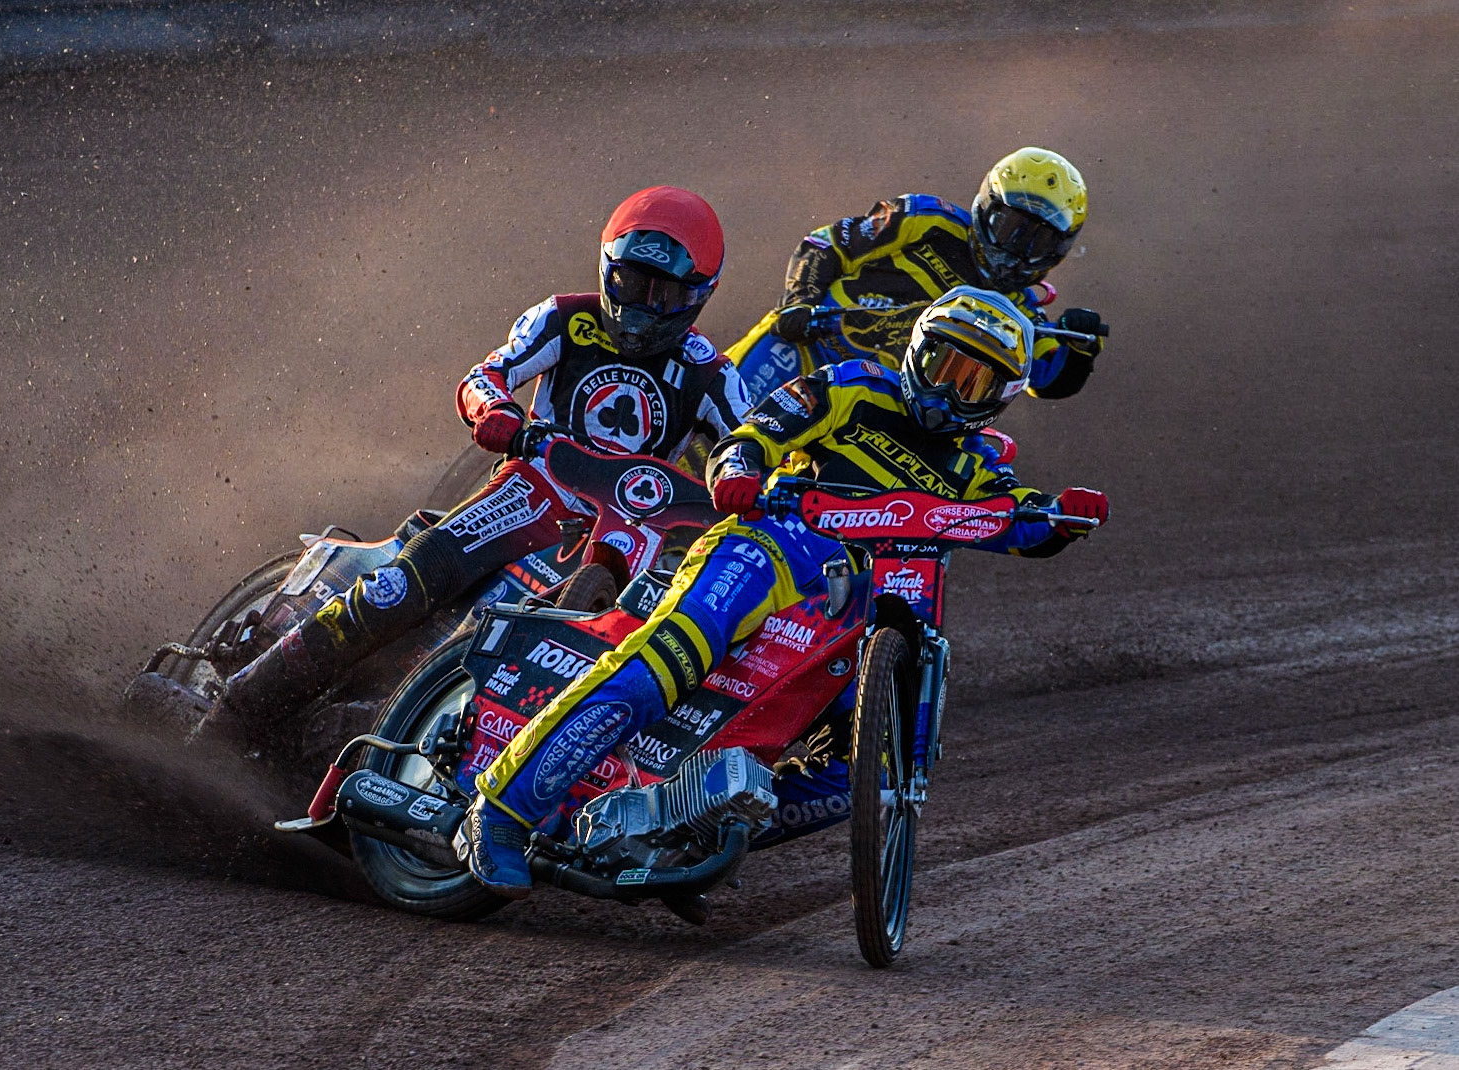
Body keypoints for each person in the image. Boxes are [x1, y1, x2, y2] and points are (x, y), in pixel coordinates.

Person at [461, 285, 1109, 898]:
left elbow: (1016, 516)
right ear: (917, 349)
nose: (949, 390)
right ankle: (501, 810)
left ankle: (688, 829)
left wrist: (1060, 517)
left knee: (869, 769)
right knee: (664, 662)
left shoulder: (975, 464)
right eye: (944, 364)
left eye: (975, 381)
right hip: (769, 549)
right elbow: (753, 435)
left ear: (1002, 396)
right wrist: (739, 469)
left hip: (856, 607)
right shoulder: (851, 385)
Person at [207, 186, 752, 737]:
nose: (641, 308)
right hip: (528, 492)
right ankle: (236, 706)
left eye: (663, 296)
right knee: (402, 587)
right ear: (608, 269)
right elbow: (486, 374)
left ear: (699, 296)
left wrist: (739, 477)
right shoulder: (565, 319)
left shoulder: (711, 372)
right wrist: (494, 411)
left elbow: (751, 445)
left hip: (618, 540)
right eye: (632, 285)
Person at [728, 146, 1105, 403]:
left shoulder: (1022, 313)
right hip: (807, 348)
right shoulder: (926, 219)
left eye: (1037, 241)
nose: (1017, 249)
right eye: (1012, 229)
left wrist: (1081, 350)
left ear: (1058, 250)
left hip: (872, 402)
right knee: (723, 416)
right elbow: (826, 245)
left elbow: (1045, 380)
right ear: (987, 207)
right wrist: (800, 302)